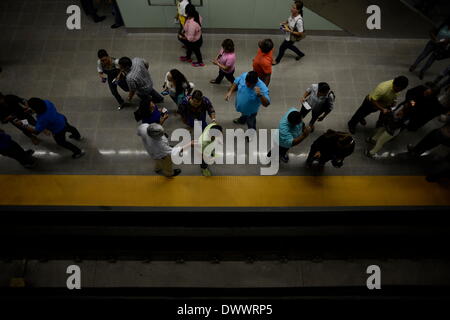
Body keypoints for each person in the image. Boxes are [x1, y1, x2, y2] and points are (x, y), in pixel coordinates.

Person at [14, 98, 85, 159]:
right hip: (62, 119)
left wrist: (23, 125)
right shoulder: (47, 102)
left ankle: (78, 152)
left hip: (58, 130)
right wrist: (32, 110)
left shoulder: (42, 119)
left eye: (30, 107)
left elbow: (36, 131)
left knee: (61, 142)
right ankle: (78, 136)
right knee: (70, 128)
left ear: (35, 109)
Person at [273, 1, 305, 65]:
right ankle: (301, 54)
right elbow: (289, 20)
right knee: (289, 46)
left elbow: (300, 33)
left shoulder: (299, 21)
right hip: (288, 35)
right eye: (292, 7)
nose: (291, 8)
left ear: (298, 10)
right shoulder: (292, 14)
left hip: (291, 37)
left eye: (294, 8)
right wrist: (285, 22)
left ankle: (277, 60)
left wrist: (290, 31)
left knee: (282, 47)